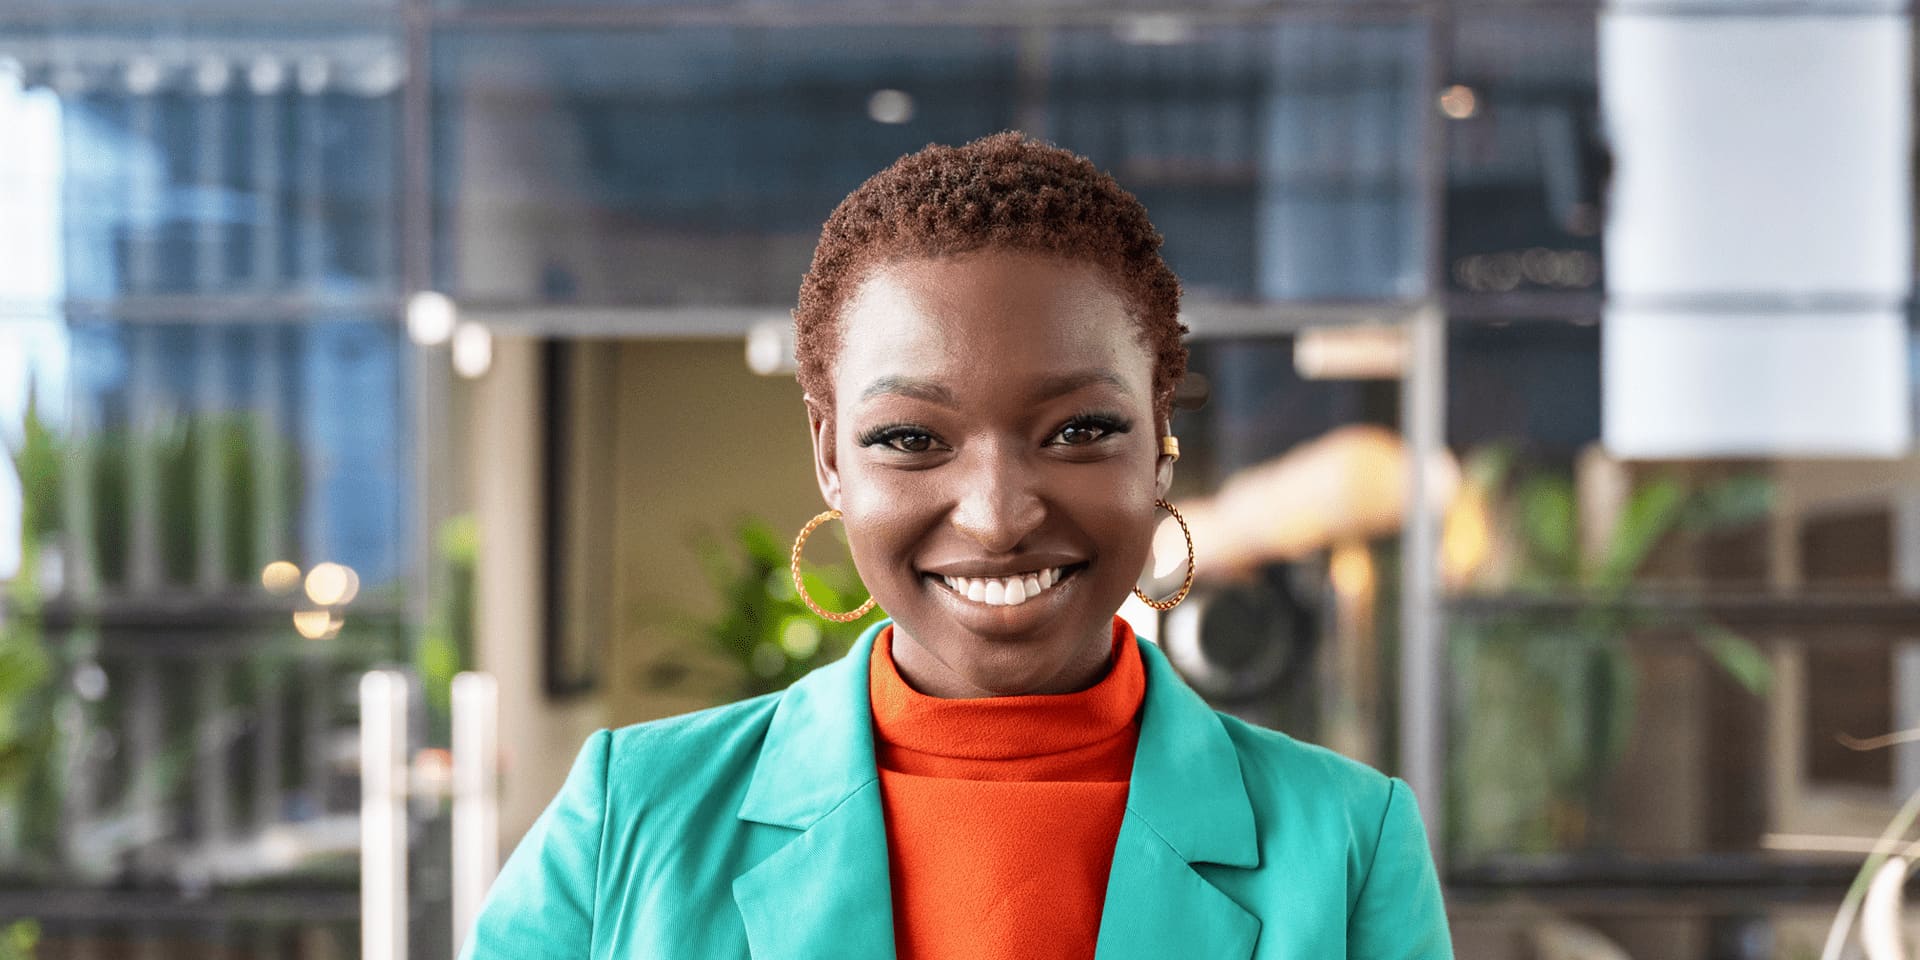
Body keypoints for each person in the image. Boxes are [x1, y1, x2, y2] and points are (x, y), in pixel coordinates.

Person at [460, 132, 1453, 960]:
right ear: (831, 459)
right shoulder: (629, 818)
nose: (996, 514)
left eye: (1078, 431)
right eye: (910, 440)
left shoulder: (1349, 845)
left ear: (1159, 444)